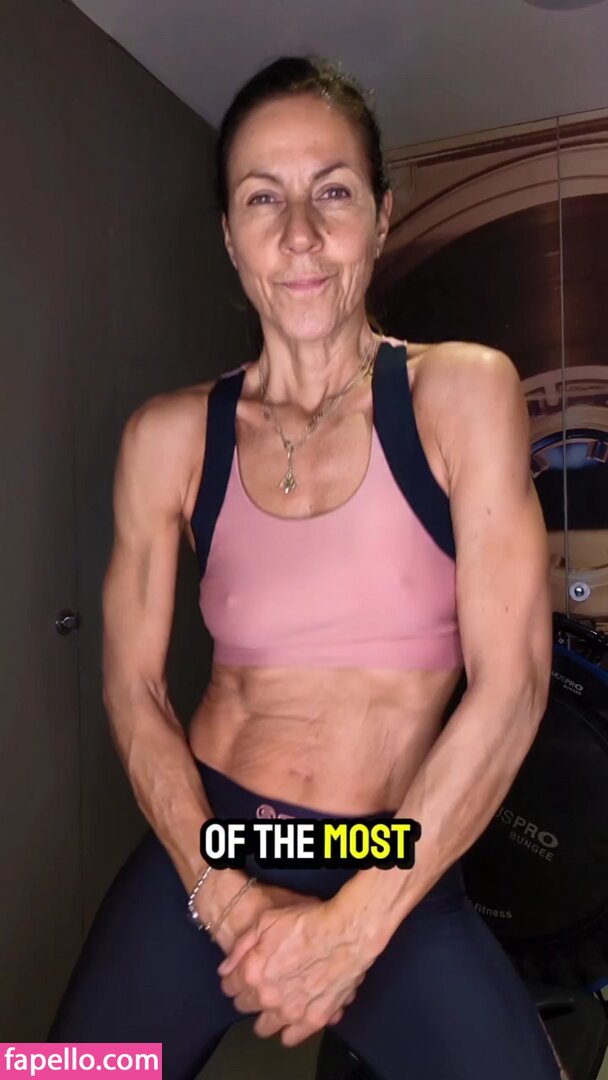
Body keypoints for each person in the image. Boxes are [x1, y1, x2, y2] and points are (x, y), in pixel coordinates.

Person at [48, 56, 567, 1080]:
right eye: (262, 199)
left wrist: (351, 929)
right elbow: (132, 688)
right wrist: (223, 896)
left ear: (378, 215)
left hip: (388, 851)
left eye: (331, 192)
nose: (298, 235)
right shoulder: (167, 437)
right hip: (211, 843)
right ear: (228, 234)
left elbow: (512, 686)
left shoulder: (461, 394)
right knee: (58, 1072)